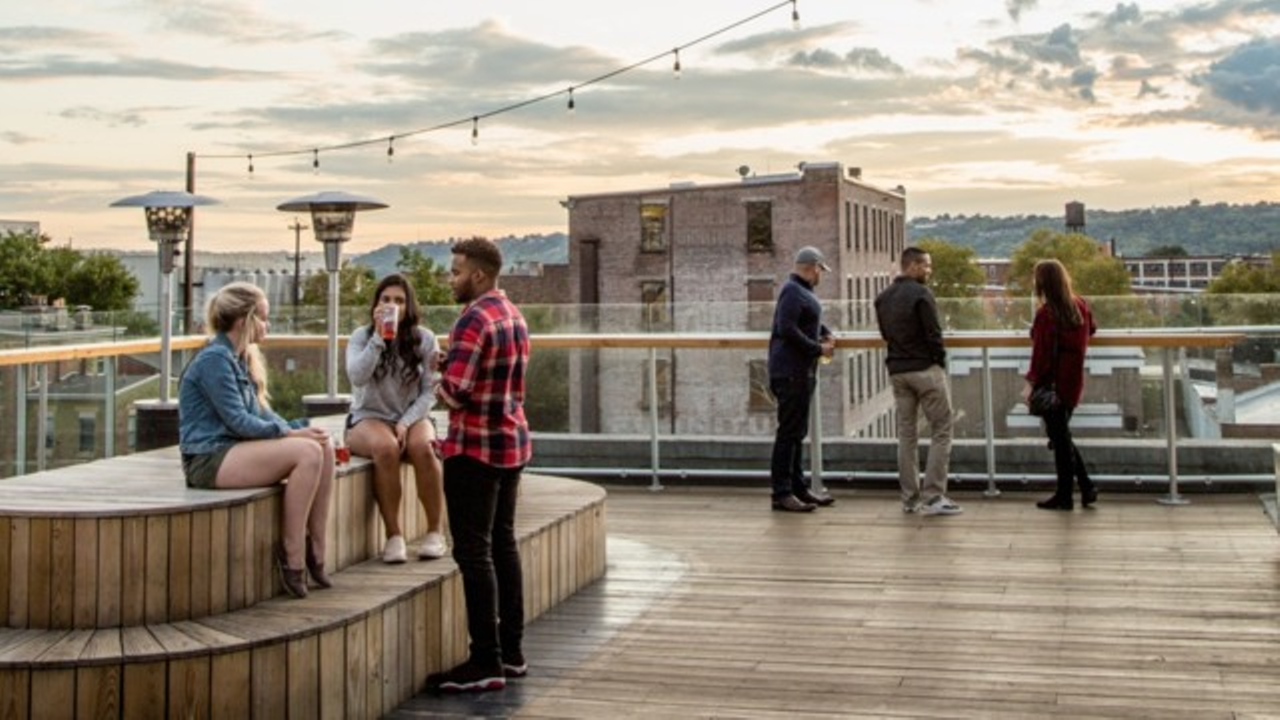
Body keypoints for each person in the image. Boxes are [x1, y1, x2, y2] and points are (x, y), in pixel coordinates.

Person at [178, 281, 335, 598]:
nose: (268, 324)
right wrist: (290, 434)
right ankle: (291, 553)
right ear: (243, 320)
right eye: (263, 317)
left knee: (324, 445)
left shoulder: (239, 359)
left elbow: (263, 415)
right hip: (209, 458)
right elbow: (238, 421)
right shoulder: (215, 360)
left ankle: (316, 546)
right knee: (307, 454)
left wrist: (294, 427)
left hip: (234, 451)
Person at [426, 237, 532, 694]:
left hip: (474, 448)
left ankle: (484, 660)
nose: (451, 278)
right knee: (503, 544)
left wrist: (435, 374)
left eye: (456, 271)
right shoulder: (512, 313)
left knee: (472, 552)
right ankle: (511, 652)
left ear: (479, 275)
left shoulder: (472, 319)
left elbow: (456, 393)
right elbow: (493, 375)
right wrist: (454, 366)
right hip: (511, 441)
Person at [346, 273, 448, 563]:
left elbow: (430, 391)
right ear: (376, 304)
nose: (392, 305)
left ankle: (434, 532)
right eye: (386, 300)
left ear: (409, 306)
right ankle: (394, 535)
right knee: (386, 448)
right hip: (369, 416)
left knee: (424, 448)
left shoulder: (425, 339)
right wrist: (379, 338)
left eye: (399, 301)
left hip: (412, 415)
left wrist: (405, 421)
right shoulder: (361, 337)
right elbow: (357, 376)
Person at [874, 247, 961, 516]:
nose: (929, 270)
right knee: (942, 429)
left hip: (898, 370)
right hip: (924, 369)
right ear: (911, 266)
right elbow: (933, 333)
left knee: (907, 435)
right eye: (925, 265)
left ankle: (910, 499)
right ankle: (934, 496)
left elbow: (886, 334)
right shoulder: (922, 294)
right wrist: (939, 362)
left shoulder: (882, 298)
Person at [1022, 259, 1098, 511]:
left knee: (1060, 440)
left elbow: (1041, 355)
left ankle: (1066, 495)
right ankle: (1086, 488)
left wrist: (1030, 384)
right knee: (1062, 436)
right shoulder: (1080, 306)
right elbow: (1092, 330)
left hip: (1052, 383)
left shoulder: (1046, 314)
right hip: (1072, 381)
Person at [767, 245, 837, 513]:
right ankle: (782, 493)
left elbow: (808, 321)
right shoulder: (792, 291)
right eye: (821, 269)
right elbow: (787, 328)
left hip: (801, 371)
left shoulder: (802, 292)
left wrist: (826, 333)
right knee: (788, 433)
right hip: (790, 372)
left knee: (797, 432)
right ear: (812, 267)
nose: (822, 275)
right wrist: (818, 348)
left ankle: (798, 488)